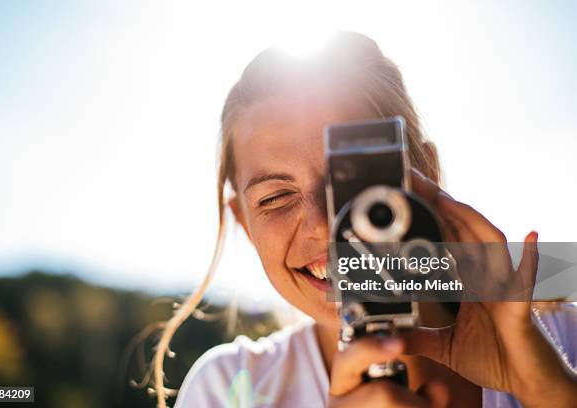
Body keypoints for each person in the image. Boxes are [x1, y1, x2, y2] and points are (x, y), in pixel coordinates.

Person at [169, 31, 577, 407]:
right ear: (243, 221)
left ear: (425, 175)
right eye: (276, 197)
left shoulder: (565, 344)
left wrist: (552, 392)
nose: (326, 226)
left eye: (355, 180)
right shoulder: (226, 389)